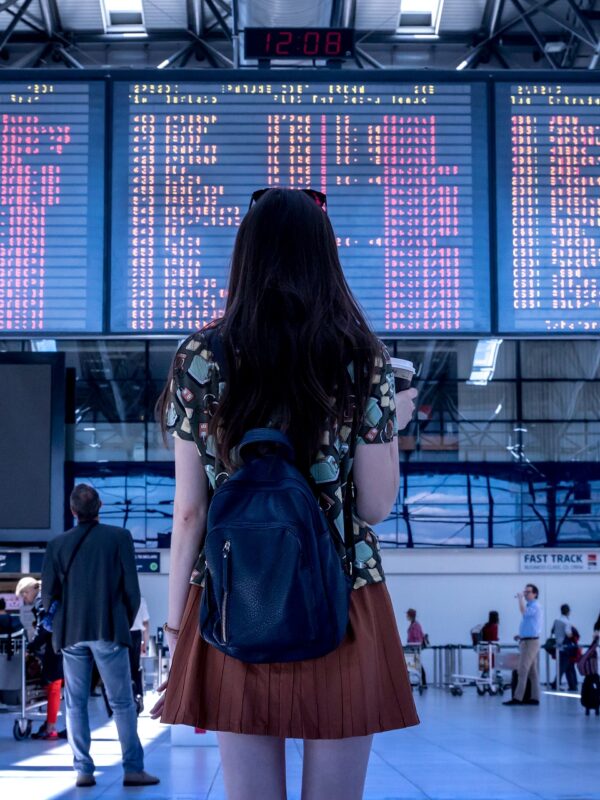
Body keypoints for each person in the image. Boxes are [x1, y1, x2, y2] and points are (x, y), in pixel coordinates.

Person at [150, 187, 420, 800]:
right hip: (343, 596)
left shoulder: (201, 357)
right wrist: (388, 426)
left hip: (233, 596)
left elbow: (190, 510)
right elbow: (375, 507)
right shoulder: (363, 359)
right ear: (325, 257)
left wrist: (174, 626)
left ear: (244, 257)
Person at [41, 484, 159, 789]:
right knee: (122, 702)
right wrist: (122, 620)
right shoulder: (119, 538)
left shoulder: (57, 544)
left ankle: (83, 771)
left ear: (72, 510)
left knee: (76, 703)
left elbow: (47, 596)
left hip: (71, 634)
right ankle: (133, 768)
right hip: (109, 628)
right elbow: (132, 591)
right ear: (100, 506)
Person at [15, 577, 65, 740]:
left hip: (56, 646)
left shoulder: (41, 599)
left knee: (53, 684)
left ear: (28, 591)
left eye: (23, 596)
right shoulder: (49, 595)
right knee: (56, 685)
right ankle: (51, 724)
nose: (24, 600)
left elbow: (45, 626)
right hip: (64, 643)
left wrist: (31, 647)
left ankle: (51, 727)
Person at [503, 584, 543, 706]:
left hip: (530, 643)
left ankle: (518, 698)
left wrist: (520, 599)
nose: (525, 594)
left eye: (528, 592)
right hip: (527, 640)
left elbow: (524, 613)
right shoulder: (531, 606)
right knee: (532, 672)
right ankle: (535, 698)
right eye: (524, 592)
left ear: (535, 593)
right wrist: (521, 635)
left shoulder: (535, 606)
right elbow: (531, 625)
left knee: (522, 669)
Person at [551, 604, 578, 691]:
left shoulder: (556, 620)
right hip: (565, 646)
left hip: (558, 645)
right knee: (564, 667)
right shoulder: (567, 622)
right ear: (568, 612)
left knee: (568, 666)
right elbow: (568, 634)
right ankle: (556, 684)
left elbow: (553, 631)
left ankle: (573, 685)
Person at [129, 596, 150, 705]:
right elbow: (145, 623)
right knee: (135, 667)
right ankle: (138, 696)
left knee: (123, 668)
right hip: (136, 636)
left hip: (121, 634)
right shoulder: (140, 599)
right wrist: (144, 643)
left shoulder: (117, 596)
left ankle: (127, 697)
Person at [406, 608, 428, 688]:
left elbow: (417, 638)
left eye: (407, 615)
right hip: (413, 648)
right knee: (415, 664)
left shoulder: (415, 626)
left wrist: (412, 645)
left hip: (415, 648)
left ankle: (423, 682)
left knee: (415, 664)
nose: (406, 616)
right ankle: (421, 681)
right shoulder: (413, 624)